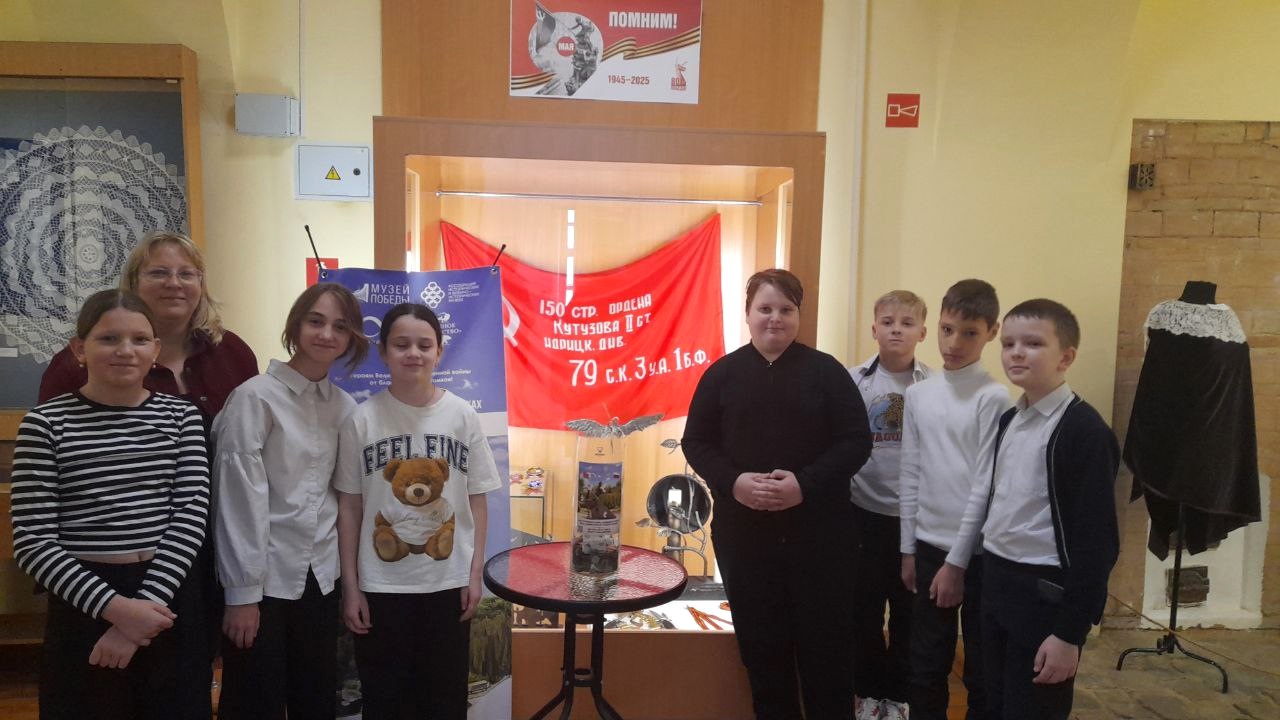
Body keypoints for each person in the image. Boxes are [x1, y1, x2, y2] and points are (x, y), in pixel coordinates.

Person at [38, 231, 258, 717]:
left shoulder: (231, 357)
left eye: (186, 273)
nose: (174, 283)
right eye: (159, 272)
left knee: (180, 690)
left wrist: (149, 602)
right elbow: (45, 511)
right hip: (89, 571)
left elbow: (232, 470)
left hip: (190, 552)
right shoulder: (61, 393)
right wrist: (119, 612)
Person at [11, 289, 210, 719]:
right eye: (108, 339)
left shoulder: (182, 417)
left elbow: (190, 518)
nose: (125, 350)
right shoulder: (45, 424)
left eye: (139, 339)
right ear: (79, 349)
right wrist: (118, 611)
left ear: (155, 349)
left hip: (166, 593)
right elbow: (32, 541)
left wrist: (139, 617)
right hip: (83, 598)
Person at [682, 268, 871, 719]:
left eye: (786, 309)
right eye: (764, 308)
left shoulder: (827, 372)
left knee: (827, 656)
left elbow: (856, 442)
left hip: (821, 541)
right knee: (764, 655)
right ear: (747, 314)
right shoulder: (722, 374)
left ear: (799, 315)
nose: (775, 318)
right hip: (746, 541)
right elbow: (697, 442)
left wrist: (804, 484)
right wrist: (734, 482)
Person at [334, 303, 501, 719]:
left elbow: (477, 500)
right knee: (384, 699)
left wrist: (474, 574)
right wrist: (351, 587)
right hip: (381, 586)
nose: (414, 353)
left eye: (424, 345)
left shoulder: (461, 416)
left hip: (447, 583)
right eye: (401, 344)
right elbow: (350, 508)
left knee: (444, 699)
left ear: (439, 352)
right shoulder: (361, 420)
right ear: (383, 351)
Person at [212, 283, 369, 720]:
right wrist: (242, 595)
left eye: (340, 326)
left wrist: (348, 583)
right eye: (316, 321)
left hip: (321, 580)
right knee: (254, 701)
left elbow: (344, 499)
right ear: (296, 325)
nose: (327, 334)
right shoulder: (254, 397)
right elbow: (237, 501)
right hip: (263, 580)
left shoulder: (345, 406)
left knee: (315, 699)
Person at [962, 299, 1120, 719]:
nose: (1016, 353)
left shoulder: (1084, 432)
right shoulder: (1010, 420)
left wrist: (1070, 634)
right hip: (997, 582)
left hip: (1043, 595)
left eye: (1033, 344)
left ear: (1065, 357)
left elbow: (1097, 542)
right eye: (1009, 343)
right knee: (990, 701)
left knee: (1032, 708)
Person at [898, 278, 1009, 720]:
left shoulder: (993, 397)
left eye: (969, 333)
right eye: (947, 329)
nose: (954, 343)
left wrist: (957, 564)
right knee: (926, 661)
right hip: (928, 547)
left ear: (991, 332)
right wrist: (908, 548)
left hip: (977, 555)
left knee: (981, 665)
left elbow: (984, 484)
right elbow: (911, 472)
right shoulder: (919, 393)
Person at [847, 290, 932, 720]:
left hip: (914, 520)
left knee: (908, 614)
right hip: (863, 514)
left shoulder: (933, 387)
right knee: (863, 610)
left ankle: (898, 697)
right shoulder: (854, 381)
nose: (896, 329)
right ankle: (867, 691)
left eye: (906, 322)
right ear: (874, 329)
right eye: (887, 322)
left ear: (922, 332)